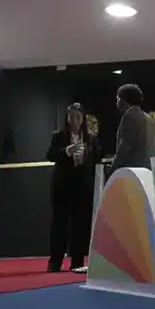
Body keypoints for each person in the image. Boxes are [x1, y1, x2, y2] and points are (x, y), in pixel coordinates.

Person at [46, 103, 100, 273]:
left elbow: (96, 160)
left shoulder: (90, 138)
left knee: (80, 225)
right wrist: (67, 151)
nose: (74, 121)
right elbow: (50, 155)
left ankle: (77, 261)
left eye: (77, 117)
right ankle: (55, 262)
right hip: (62, 186)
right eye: (70, 117)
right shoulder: (58, 136)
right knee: (59, 224)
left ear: (82, 119)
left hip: (82, 187)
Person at [111, 84, 153, 174]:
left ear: (124, 100)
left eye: (118, 99)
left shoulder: (130, 116)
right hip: (146, 172)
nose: (117, 102)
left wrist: (112, 170)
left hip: (130, 173)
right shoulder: (149, 119)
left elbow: (124, 148)